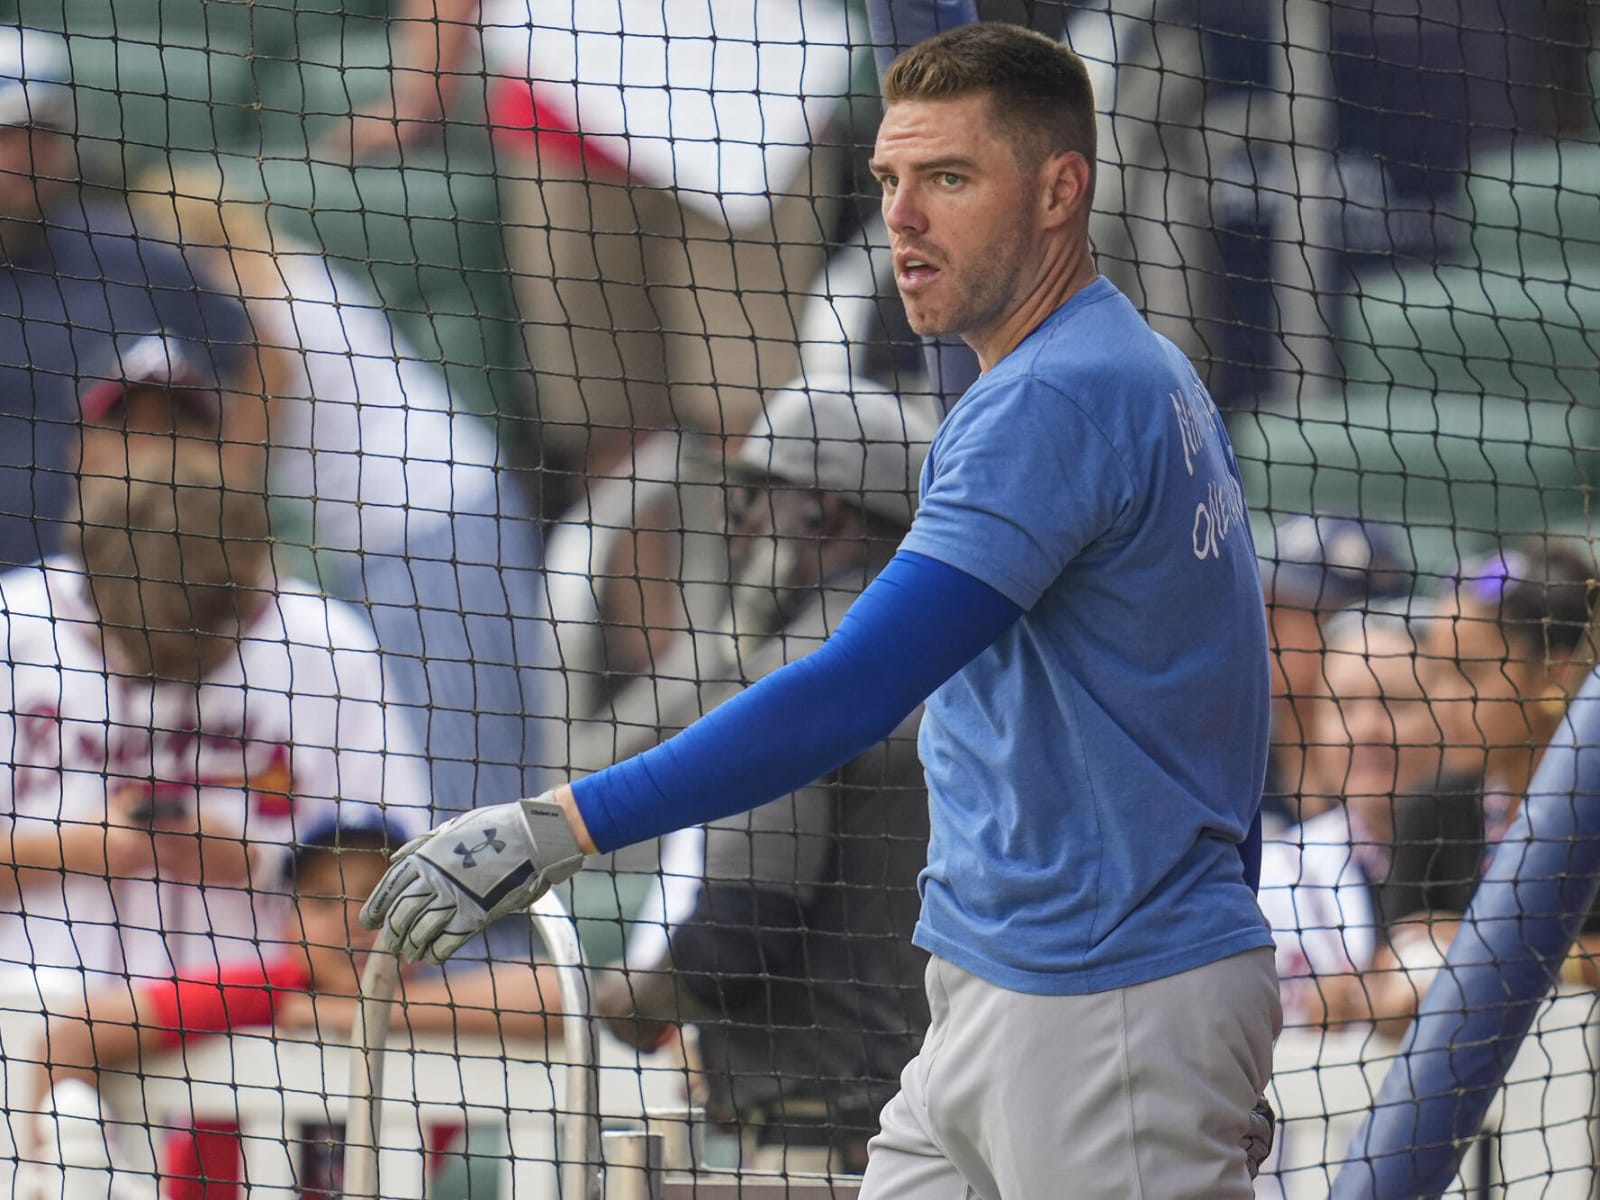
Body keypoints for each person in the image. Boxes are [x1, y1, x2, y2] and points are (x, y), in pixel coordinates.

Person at [364, 24, 1279, 1197]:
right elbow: (1223, 698)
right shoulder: (1132, 371)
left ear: (1061, 190)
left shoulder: (1058, 398)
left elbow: (849, 688)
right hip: (1009, 995)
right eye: (890, 181)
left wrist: (561, 824)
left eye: (950, 178)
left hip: (1104, 1001)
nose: (904, 217)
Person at [0, 324, 430, 989]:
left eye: (178, 433)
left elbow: (410, 896)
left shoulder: (323, 643)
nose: (152, 457)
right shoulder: (14, 623)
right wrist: (66, 848)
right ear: (78, 453)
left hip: (247, 1041)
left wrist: (262, 863)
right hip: (29, 1019)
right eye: (129, 432)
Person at [586, 381, 936, 1173]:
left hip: (832, 1145)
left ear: (824, 514)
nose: (739, 525)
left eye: (755, 497)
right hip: (963, 1132)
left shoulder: (797, 673)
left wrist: (632, 1000)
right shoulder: (964, 668)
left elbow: (740, 934)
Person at [338, 0, 852, 494]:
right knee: (607, 423)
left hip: (755, 108)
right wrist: (423, 89)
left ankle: (760, 585)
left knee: (752, 418)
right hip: (569, 117)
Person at [22, 810, 562, 1200]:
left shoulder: (437, 1004)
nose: (354, 921)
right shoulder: (268, 989)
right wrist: (50, 1180)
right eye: (324, 900)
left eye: (379, 898)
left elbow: (554, 994)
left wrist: (357, 1015)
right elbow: (74, 1034)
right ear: (287, 920)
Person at [0, 26, 250, 569]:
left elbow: (258, 354)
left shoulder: (127, 250)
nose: (27, 155)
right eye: (6, 135)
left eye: (41, 132)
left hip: (126, 595)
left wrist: (230, 492)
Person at [1258, 514, 1410, 828]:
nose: (1265, 624)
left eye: (1291, 608)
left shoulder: (1408, 771)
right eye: (1264, 602)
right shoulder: (1232, 757)